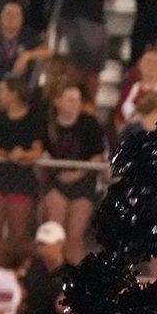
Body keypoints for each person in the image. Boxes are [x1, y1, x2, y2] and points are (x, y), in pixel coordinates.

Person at [0, 74, 45, 265]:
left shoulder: (34, 117)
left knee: (18, 236)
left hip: (21, 180)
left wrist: (23, 156)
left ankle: (19, 279)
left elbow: (37, 150)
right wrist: (10, 156)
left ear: (15, 94)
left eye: (3, 90)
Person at [42, 84, 106, 264]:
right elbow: (44, 154)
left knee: (75, 236)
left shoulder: (90, 124)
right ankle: (54, 274)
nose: (75, 104)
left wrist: (76, 174)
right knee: (55, 233)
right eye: (70, 100)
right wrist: (56, 171)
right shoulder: (49, 125)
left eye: (78, 100)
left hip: (83, 182)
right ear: (58, 102)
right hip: (57, 182)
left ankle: (77, 279)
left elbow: (97, 158)